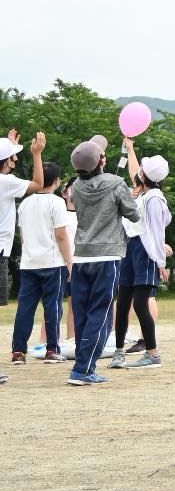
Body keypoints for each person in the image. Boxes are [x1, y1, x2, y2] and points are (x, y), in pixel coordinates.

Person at [69, 133, 141, 387]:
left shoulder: (75, 186)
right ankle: (83, 369)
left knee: (82, 313)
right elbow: (133, 214)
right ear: (101, 160)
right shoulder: (115, 182)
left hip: (81, 256)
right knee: (100, 312)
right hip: (108, 256)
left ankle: (82, 364)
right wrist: (131, 197)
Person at [111, 155, 171, 369]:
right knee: (124, 302)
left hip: (144, 251)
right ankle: (118, 353)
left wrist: (160, 262)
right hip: (129, 248)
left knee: (139, 303)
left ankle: (152, 354)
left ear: (143, 174)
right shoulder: (143, 194)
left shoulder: (154, 198)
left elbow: (156, 231)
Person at [12, 142, 68, 366]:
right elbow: (61, 236)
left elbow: (23, 235)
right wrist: (70, 263)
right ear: (56, 181)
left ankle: (18, 351)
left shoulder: (24, 204)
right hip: (52, 262)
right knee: (52, 307)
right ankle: (52, 349)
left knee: (25, 308)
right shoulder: (57, 202)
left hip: (29, 262)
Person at [0, 129, 44, 377]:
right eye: (13, 158)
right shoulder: (5, 182)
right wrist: (36, 155)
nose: (16, 162)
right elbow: (38, 184)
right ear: (5, 162)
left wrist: (9, 147)